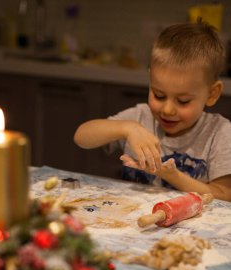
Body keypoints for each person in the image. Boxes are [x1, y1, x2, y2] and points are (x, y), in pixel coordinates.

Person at [74, 20, 231, 202]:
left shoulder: (219, 133)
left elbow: (224, 196)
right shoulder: (141, 118)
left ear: (212, 94)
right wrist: (127, 128)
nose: (167, 110)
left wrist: (172, 176)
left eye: (183, 101)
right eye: (159, 95)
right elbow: (81, 136)